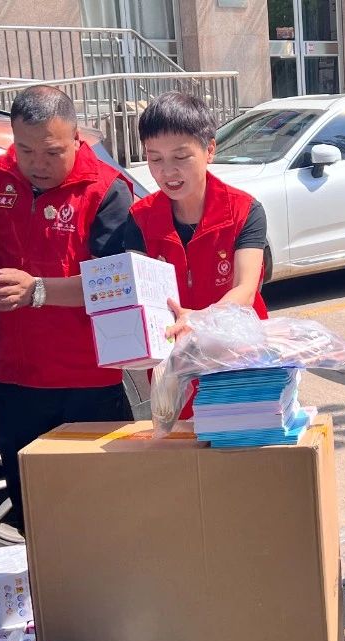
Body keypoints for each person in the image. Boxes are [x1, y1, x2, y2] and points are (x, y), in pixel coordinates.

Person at [0, 86, 135, 529]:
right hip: (15, 378)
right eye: (25, 150)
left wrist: (37, 291)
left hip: (88, 379)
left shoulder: (106, 190)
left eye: (52, 152)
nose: (37, 164)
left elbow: (116, 284)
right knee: (33, 511)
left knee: (104, 509)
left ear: (76, 138)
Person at [116, 92, 269, 416]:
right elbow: (139, 293)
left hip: (238, 359)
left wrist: (198, 319)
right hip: (175, 366)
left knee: (243, 440)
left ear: (209, 150)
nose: (167, 171)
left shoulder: (244, 211)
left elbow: (244, 290)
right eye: (155, 159)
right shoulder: (140, 218)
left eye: (181, 157)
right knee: (182, 443)